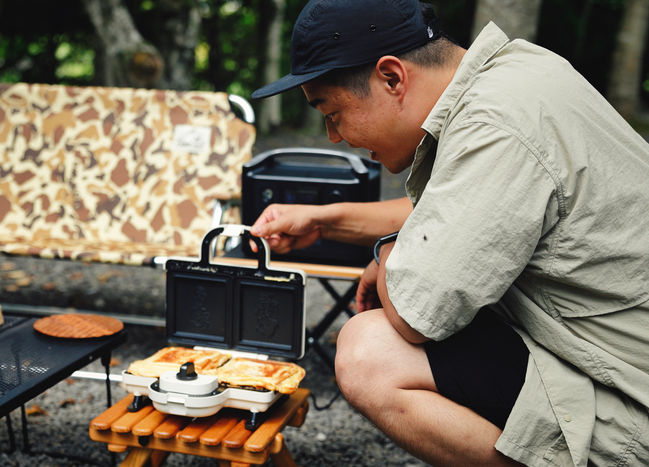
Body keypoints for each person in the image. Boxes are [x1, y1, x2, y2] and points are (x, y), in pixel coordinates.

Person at [250, 0, 649, 466]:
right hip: (607, 354)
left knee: (368, 352)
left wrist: (387, 259)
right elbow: (453, 209)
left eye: (332, 112)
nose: (333, 136)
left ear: (392, 78)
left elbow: (416, 314)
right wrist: (325, 220)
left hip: (625, 393)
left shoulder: (493, 125)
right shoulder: (515, 76)